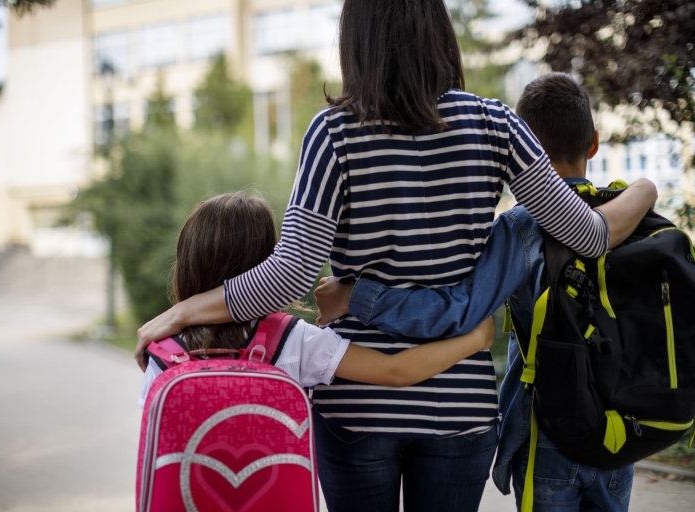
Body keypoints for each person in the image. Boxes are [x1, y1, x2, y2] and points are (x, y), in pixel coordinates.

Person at [134, 1, 656, 509]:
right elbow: (589, 236)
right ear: (439, 31)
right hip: (460, 405)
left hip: (359, 409)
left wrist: (182, 311)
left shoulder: (333, 134)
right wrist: (647, 189)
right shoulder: (497, 125)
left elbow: (289, 277)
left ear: (356, 40)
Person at [314, 72, 639, 512]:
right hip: (620, 433)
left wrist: (355, 297)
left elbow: (461, 309)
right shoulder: (634, 219)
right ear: (594, 142)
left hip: (547, 432)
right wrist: (646, 189)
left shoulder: (525, 229)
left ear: (529, 151)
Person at [137, 192, 495, 409]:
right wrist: (476, 338)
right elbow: (396, 371)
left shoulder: (164, 351)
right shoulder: (290, 340)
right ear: (266, 264)